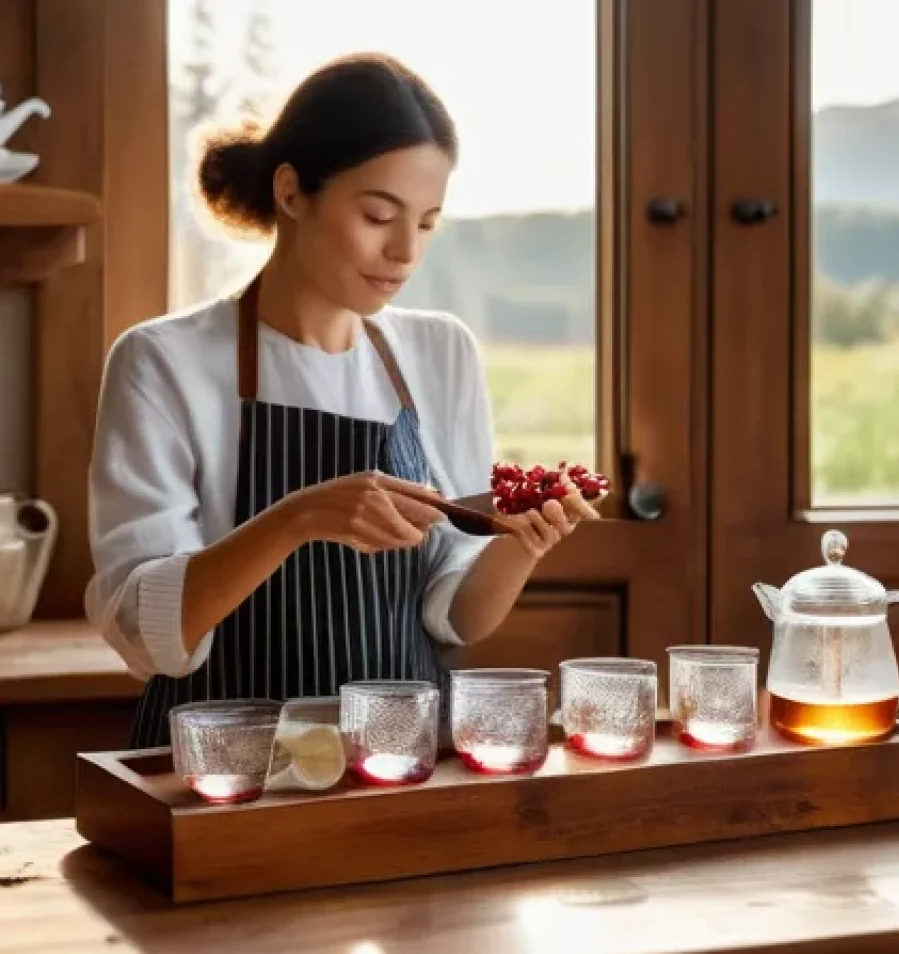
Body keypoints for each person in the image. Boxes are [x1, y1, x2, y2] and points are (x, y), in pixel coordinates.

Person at [85, 53, 600, 748]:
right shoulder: (162, 361)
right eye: (378, 214)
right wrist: (295, 519)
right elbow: (149, 636)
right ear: (293, 192)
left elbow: (457, 617)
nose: (403, 251)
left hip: (396, 765)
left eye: (425, 225)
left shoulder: (440, 354)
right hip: (222, 772)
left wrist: (521, 545)